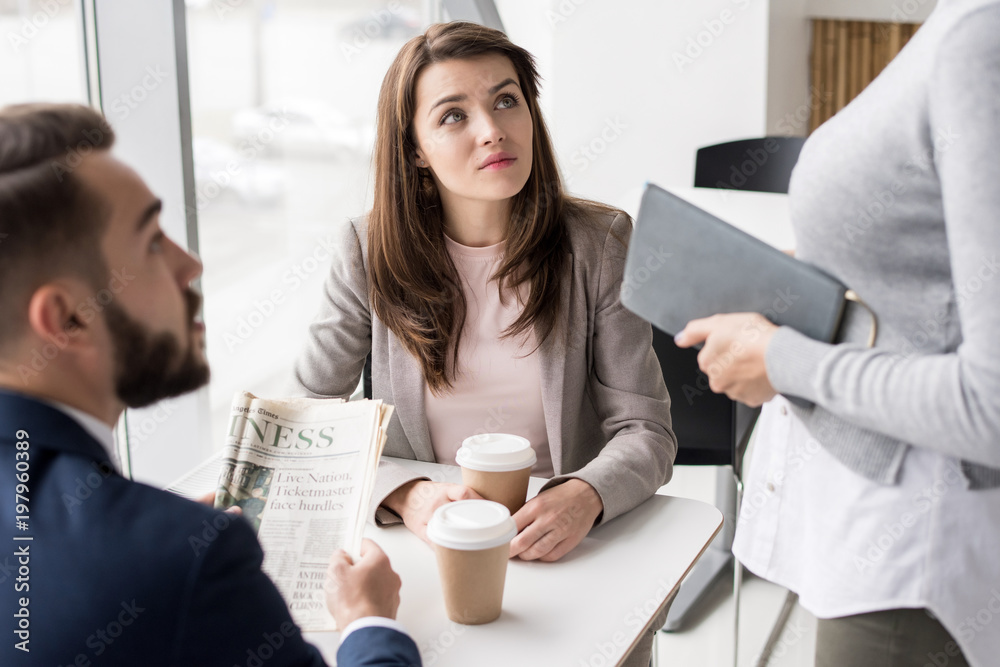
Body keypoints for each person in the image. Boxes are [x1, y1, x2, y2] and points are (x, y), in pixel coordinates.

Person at [292, 21, 675, 665]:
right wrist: (405, 492)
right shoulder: (366, 250)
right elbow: (310, 420)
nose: (492, 129)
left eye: (506, 100)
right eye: (452, 115)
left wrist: (585, 495)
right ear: (413, 149)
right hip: (424, 563)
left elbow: (647, 429)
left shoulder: (598, 243)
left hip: (570, 556)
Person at [0, 103, 420, 667]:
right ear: (68, 317)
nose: (190, 263)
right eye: (151, 241)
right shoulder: (179, 562)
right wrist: (368, 620)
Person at [673, 1, 1000, 665]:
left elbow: (990, 402)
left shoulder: (980, 39)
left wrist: (781, 359)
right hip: (876, 530)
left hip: (912, 553)